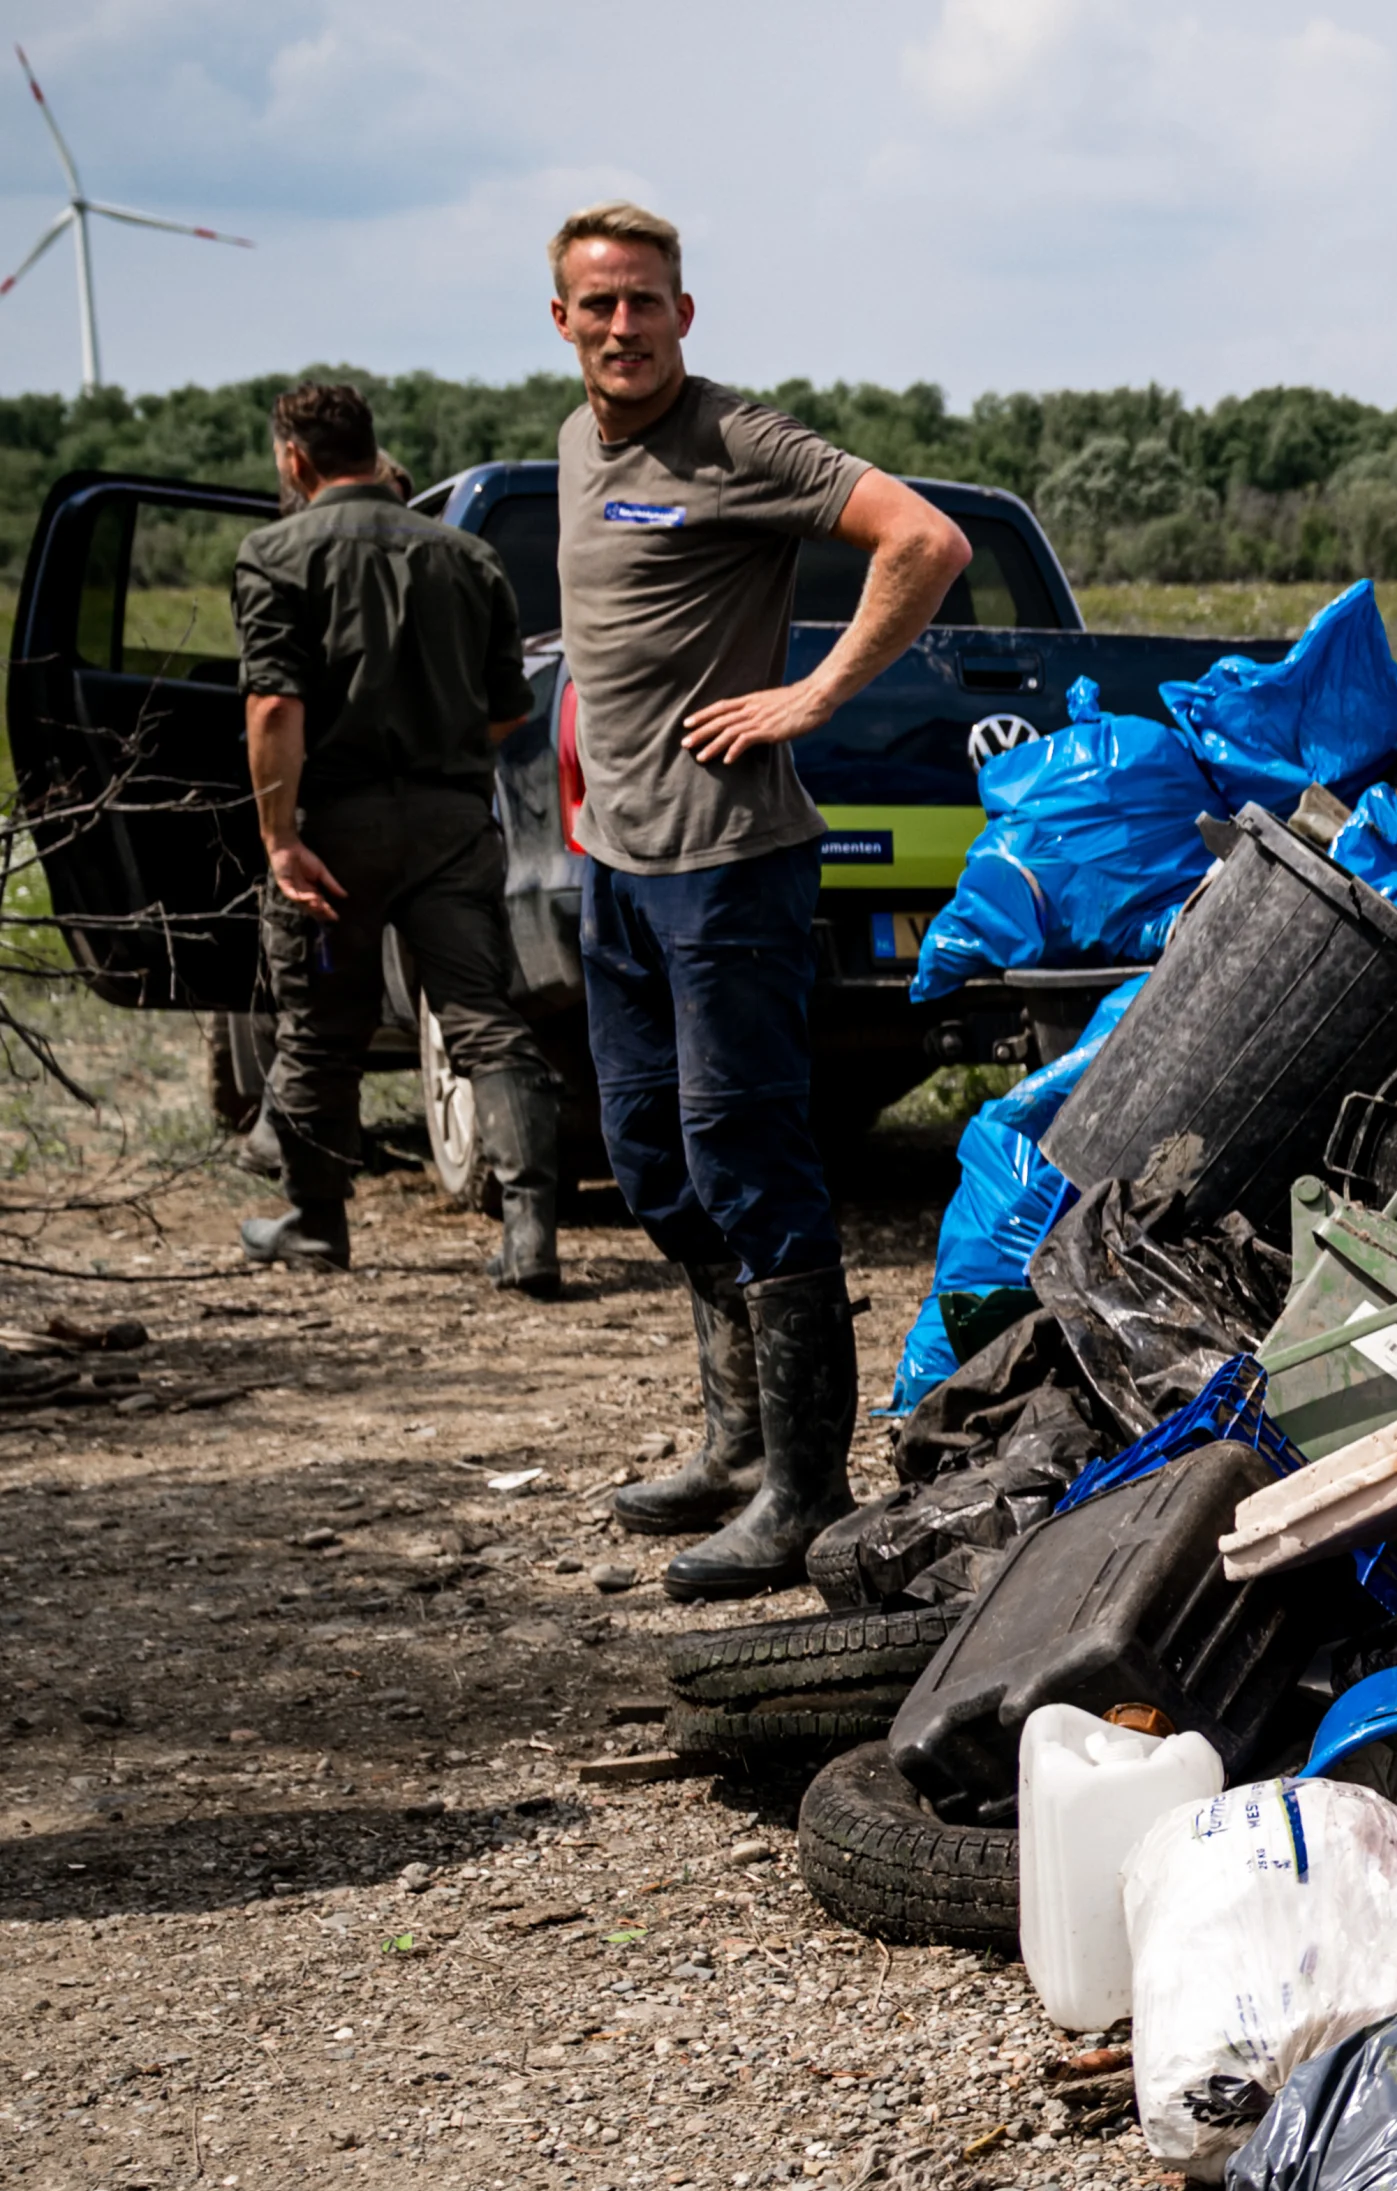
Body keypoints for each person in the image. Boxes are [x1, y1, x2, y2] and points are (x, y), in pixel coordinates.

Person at [546, 201, 966, 1600]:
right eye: (598, 305)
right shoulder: (574, 447)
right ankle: (733, 1446)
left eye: (645, 302)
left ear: (683, 312)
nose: (623, 326)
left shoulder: (734, 441)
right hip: (618, 868)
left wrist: (814, 694)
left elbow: (924, 540)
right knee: (650, 1159)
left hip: (730, 864)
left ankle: (803, 1490)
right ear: (563, 320)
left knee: (748, 1158)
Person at [231, 379, 559, 1287]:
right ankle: (530, 1235)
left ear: (295, 460)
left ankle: (316, 1222)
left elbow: (273, 708)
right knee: (485, 1022)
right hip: (454, 824)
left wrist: (280, 835)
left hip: (334, 829)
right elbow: (508, 709)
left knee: (319, 1030)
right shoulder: (467, 557)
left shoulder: (274, 554)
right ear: (372, 451)